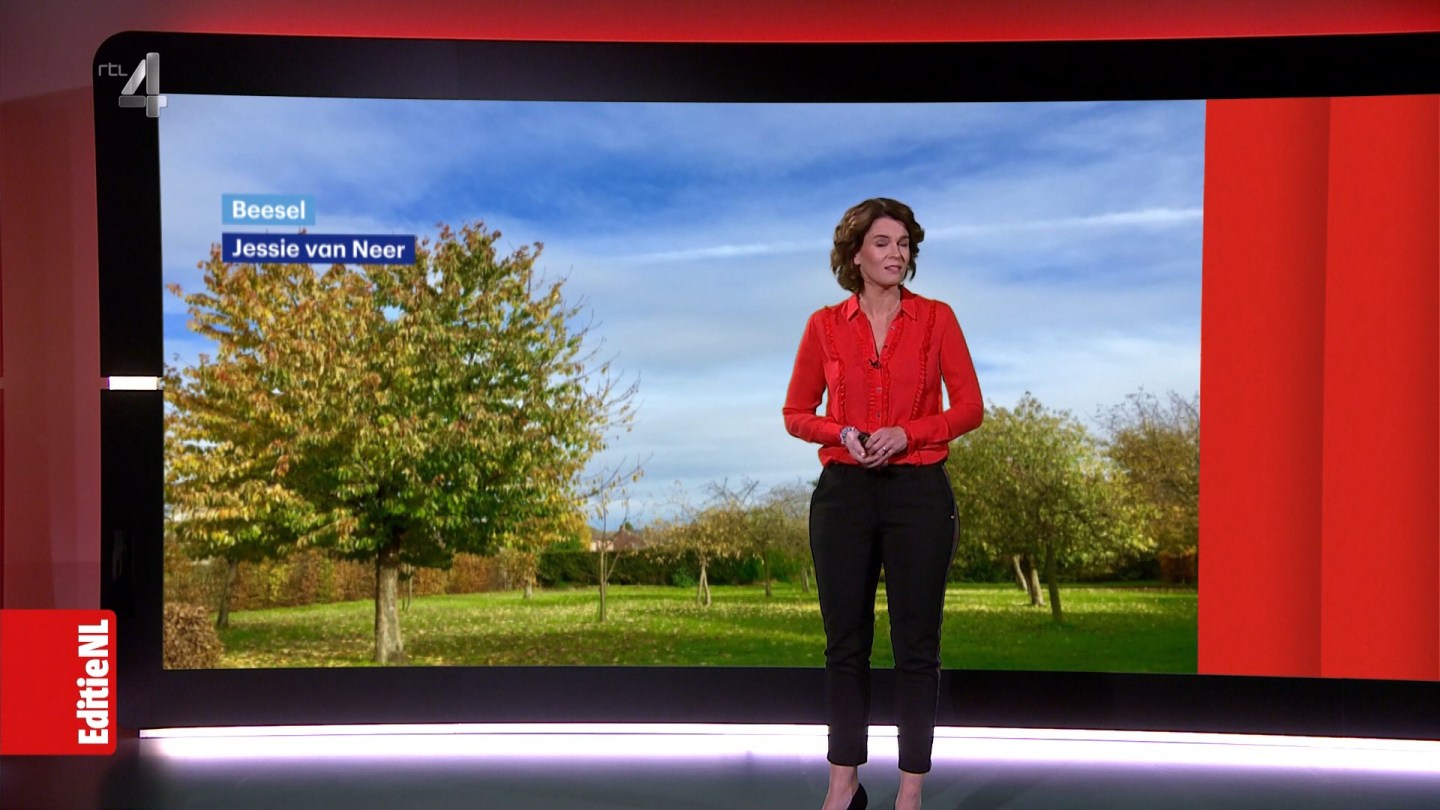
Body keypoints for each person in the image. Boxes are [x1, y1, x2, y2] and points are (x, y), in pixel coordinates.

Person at [783, 198, 983, 810]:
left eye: (904, 244)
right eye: (883, 243)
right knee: (845, 645)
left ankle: (910, 792)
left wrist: (910, 433)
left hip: (918, 494)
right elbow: (796, 413)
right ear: (855, 254)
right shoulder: (824, 326)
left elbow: (969, 408)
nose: (897, 254)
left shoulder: (937, 319)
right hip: (843, 496)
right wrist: (840, 431)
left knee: (916, 646)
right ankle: (843, 784)